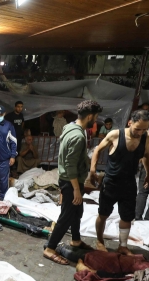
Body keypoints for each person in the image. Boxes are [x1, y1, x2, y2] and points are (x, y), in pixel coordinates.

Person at [42, 100, 102, 265]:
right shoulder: (77, 136)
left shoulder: (71, 127)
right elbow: (69, 165)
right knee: (67, 215)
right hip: (70, 181)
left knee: (77, 212)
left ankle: (76, 240)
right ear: (89, 116)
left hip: (71, 179)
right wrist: (76, 189)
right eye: (95, 117)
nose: (96, 120)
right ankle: (50, 248)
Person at [90, 110, 149, 255]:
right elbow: (97, 150)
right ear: (130, 122)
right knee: (103, 213)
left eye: (144, 129)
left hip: (129, 182)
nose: (140, 132)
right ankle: (100, 241)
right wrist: (93, 170)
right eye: (137, 128)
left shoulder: (147, 136)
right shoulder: (115, 135)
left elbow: (146, 155)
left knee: (127, 216)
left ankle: (123, 245)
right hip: (111, 182)